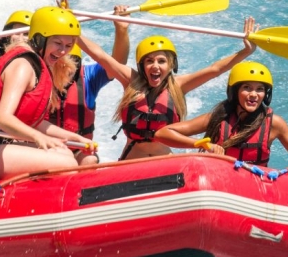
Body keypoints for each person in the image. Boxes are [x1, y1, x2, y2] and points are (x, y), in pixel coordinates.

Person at [77, 17, 258, 160]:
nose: (155, 66)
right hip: (131, 159)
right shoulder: (130, 80)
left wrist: (246, 51)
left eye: (161, 61)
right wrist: (71, 29)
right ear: (141, 66)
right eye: (149, 61)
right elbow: (100, 55)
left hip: (165, 160)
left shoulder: (179, 86)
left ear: (171, 65)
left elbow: (215, 70)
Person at [0, 7, 88, 180]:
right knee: (67, 165)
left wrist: (74, 137)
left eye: (68, 46)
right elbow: (3, 118)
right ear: (40, 39)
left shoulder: (38, 65)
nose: (63, 51)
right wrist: (37, 137)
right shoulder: (23, 66)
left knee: (65, 154)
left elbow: (36, 123)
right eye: (57, 43)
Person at [153, 61, 288, 176]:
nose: (253, 95)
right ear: (235, 91)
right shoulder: (218, 118)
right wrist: (201, 143)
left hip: (255, 186)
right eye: (247, 88)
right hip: (220, 183)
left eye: (260, 89)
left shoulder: (274, 124)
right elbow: (162, 133)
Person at [47, 3, 130, 163]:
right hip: (47, 148)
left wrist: (121, 30)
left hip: (79, 151)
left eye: (72, 63)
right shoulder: (39, 75)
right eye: (61, 63)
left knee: (90, 160)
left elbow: (116, 63)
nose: (66, 68)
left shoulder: (88, 78)